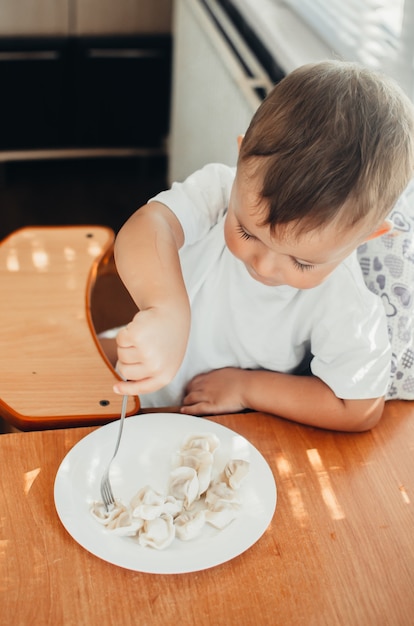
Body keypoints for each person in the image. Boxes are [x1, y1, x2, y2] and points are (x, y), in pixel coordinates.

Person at [104, 61, 414, 432]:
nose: (264, 266)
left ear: (363, 238)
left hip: (210, 424)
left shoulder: (346, 301)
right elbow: (148, 226)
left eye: (302, 262)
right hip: (135, 366)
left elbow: (359, 408)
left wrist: (248, 387)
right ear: (241, 159)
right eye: (248, 233)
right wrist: (167, 310)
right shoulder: (219, 192)